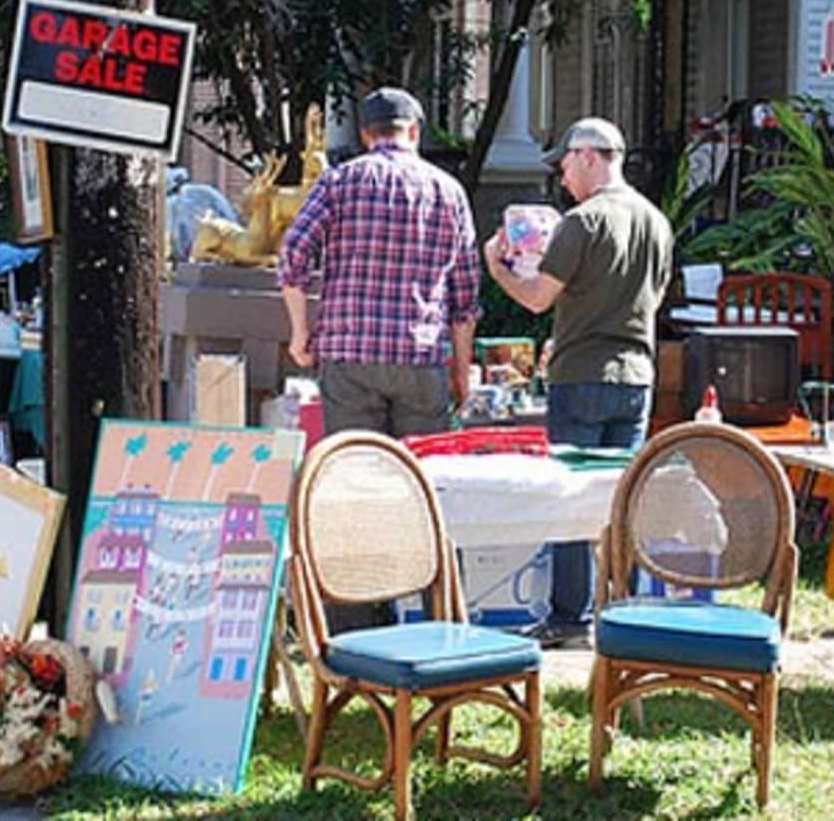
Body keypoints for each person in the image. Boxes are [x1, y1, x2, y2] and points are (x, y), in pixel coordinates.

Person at [483, 116, 673, 639]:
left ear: (589, 156)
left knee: (570, 500)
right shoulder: (656, 221)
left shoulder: (583, 222)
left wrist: (497, 269)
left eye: (565, 163)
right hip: (636, 377)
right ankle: (624, 612)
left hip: (582, 375)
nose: (563, 178)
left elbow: (539, 298)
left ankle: (571, 618)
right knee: (621, 500)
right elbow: (653, 300)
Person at [280, 86, 480, 437]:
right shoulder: (449, 192)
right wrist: (461, 371)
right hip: (421, 356)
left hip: (349, 353)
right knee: (420, 474)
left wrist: (300, 332)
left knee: (356, 472)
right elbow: (465, 296)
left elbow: (293, 253)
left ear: (365, 134)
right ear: (414, 131)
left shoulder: (338, 182)